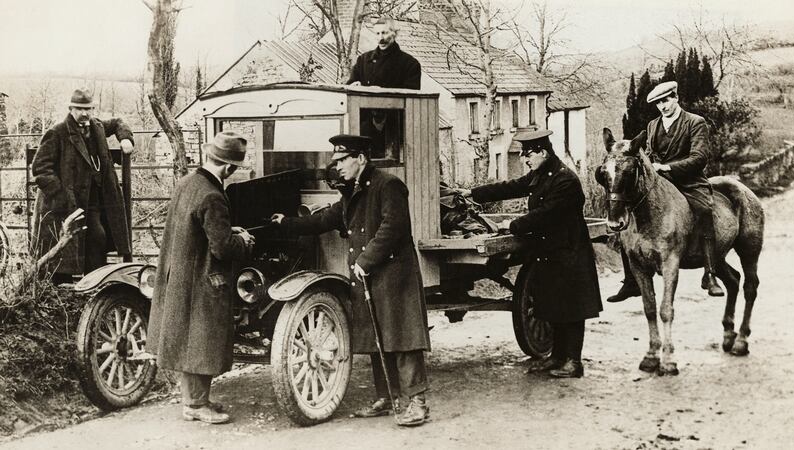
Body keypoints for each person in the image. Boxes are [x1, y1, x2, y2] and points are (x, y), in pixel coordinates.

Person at [272, 134, 431, 427]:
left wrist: (365, 260)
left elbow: (393, 227)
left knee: (403, 338)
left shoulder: (388, 185)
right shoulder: (351, 192)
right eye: (336, 161)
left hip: (395, 276)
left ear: (361, 158)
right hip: (369, 276)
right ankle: (388, 397)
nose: (339, 166)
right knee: (376, 337)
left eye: (343, 160)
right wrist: (287, 223)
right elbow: (325, 220)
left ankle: (417, 402)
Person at [456, 130, 602, 378]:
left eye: (528, 155)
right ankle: (556, 356)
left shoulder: (565, 180)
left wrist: (510, 225)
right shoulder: (542, 174)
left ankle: (573, 362)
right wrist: (474, 193)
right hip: (549, 252)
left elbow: (546, 214)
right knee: (552, 303)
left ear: (542, 153)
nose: (525, 160)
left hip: (568, 252)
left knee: (572, 307)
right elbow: (512, 187)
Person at [147, 131, 255, 424]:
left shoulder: (187, 183)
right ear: (229, 168)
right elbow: (221, 248)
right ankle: (196, 405)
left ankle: (194, 401)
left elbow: (194, 226)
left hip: (180, 274)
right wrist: (244, 242)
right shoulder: (213, 195)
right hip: (203, 279)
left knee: (189, 340)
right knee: (202, 340)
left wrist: (228, 230)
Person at [606, 80, 724, 303]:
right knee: (627, 214)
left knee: (704, 209)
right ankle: (631, 281)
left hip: (689, 182)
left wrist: (668, 167)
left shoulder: (695, 122)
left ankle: (710, 273)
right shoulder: (653, 126)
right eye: (659, 102)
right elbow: (649, 154)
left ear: (676, 98)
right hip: (659, 182)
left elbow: (700, 158)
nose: (663, 105)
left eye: (667, 100)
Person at [31, 89, 135, 283]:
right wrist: (60, 195)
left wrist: (126, 138)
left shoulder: (97, 127)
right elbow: (40, 168)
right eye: (79, 108)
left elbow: (119, 122)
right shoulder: (57, 132)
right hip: (65, 206)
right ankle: (61, 294)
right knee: (64, 253)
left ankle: (93, 286)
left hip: (92, 204)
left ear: (92, 109)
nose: (84, 113)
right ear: (71, 108)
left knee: (98, 239)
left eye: (88, 108)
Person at [347, 17, 421, 90]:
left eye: (384, 33)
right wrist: (354, 86)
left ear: (395, 34)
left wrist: (381, 91)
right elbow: (350, 86)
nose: (380, 38)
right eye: (377, 33)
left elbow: (410, 98)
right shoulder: (363, 60)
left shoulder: (410, 64)